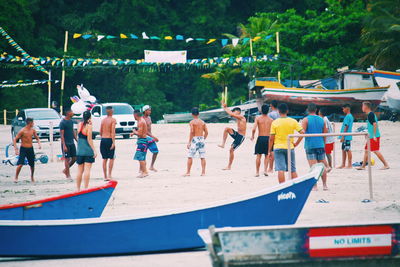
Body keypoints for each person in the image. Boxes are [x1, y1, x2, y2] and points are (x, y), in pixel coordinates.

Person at [268, 103, 304, 183]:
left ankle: (282, 187)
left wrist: (269, 150)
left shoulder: (275, 122)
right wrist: (296, 143)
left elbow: (271, 138)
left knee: (281, 169)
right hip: (289, 147)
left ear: (278, 111)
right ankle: (296, 186)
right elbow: (302, 132)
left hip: (278, 147)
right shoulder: (293, 121)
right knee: (292, 169)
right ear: (287, 111)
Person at [298, 103, 328, 190]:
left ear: (308, 110)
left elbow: (302, 133)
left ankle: (315, 186)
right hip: (320, 144)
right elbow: (325, 133)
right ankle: (325, 185)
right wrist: (324, 144)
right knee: (322, 166)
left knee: (313, 167)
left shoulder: (305, 119)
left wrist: (296, 143)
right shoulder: (322, 119)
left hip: (310, 145)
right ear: (316, 110)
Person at [356, 102, 390, 170]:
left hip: (374, 136)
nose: (362, 108)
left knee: (375, 151)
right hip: (370, 136)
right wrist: (367, 134)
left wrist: (374, 135)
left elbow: (374, 124)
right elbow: (370, 126)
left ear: (366, 107)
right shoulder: (370, 114)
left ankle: (386, 165)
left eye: (362, 106)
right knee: (366, 150)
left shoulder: (370, 114)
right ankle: (363, 166)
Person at [218, 101, 247, 170]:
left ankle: (229, 166)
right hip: (237, 134)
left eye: (234, 112)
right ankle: (223, 144)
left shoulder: (242, 117)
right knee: (227, 129)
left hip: (241, 137)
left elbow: (231, 113)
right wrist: (226, 108)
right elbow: (231, 113)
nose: (233, 113)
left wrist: (225, 107)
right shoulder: (238, 117)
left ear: (238, 111)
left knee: (231, 150)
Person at [13, 118, 41, 183]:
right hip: (23, 149)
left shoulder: (33, 130)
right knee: (20, 164)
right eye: (33, 122)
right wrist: (16, 149)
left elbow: (37, 138)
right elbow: (15, 139)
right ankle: (16, 177)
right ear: (30, 123)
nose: (33, 124)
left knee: (32, 165)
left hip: (30, 149)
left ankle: (32, 176)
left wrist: (39, 144)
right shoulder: (22, 131)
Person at [183, 107, 208, 177]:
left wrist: (189, 142)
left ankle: (188, 172)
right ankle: (203, 172)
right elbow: (206, 132)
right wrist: (203, 139)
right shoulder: (203, 122)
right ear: (198, 114)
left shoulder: (192, 122)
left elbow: (192, 132)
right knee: (202, 157)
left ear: (192, 114)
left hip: (195, 139)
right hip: (201, 139)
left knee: (190, 156)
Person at [76, 111, 97, 191]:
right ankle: (86, 188)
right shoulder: (89, 126)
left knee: (79, 171)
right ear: (89, 118)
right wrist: (94, 150)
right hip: (87, 150)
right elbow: (89, 139)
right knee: (87, 170)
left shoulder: (79, 125)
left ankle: (78, 188)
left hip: (80, 150)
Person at [251, 104, 273, 177]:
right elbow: (273, 132)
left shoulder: (258, 118)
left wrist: (252, 136)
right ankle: (265, 171)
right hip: (268, 138)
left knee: (258, 156)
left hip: (260, 138)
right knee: (267, 155)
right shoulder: (271, 120)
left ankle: (257, 172)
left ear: (261, 110)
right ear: (268, 111)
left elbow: (254, 129)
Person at [60, 108, 77, 179]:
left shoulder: (71, 121)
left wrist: (76, 139)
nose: (73, 113)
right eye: (72, 112)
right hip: (66, 143)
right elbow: (62, 135)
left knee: (74, 158)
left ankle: (65, 170)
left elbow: (72, 130)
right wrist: (64, 145)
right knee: (67, 159)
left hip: (71, 142)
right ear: (68, 113)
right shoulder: (62, 122)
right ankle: (68, 175)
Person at [100, 106, 116, 181]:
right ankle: (109, 174)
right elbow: (113, 132)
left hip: (103, 139)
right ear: (112, 111)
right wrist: (113, 142)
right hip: (109, 139)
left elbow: (100, 131)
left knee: (104, 159)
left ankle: (105, 176)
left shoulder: (103, 120)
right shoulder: (113, 120)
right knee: (111, 158)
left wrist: (103, 136)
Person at [131, 110, 149, 178]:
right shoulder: (141, 121)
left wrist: (134, 131)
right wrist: (134, 133)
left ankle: (144, 172)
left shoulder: (141, 122)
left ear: (135, 115)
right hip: (143, 141)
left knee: (140, 157)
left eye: (133, 116)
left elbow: (140, 134)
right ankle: (145, 171)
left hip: (142, 141)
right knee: (142, 157)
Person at [142, 105, 159, 172]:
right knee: (143, 153)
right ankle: (142, 168)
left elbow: (149, 129)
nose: (150, 111)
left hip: (150, 137)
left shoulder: (149, 118)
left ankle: (151, 166)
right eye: (148, 110)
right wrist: (154, 137)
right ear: (145, 111)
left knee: (155, 151)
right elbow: (145, 131)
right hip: (145, 137)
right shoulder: (142, 119)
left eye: (150, 110)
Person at [337, 104, 354, 169]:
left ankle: (349, 164)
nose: (343, 110)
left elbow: (346, 126)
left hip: (346, 136)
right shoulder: (350, 116)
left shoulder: (348, 116)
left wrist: (343, 136)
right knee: (343, 149)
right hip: (346, 135)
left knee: (347, 149)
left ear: (347, 108)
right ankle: (343, 164)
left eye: (343, 108)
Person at [266, 100, 280, 172]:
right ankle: (273, 167)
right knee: (275, 150)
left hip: (272, 132)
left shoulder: (270, 114)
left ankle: (270, 168)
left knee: (270, 150)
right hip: (279, 133)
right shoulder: (279, 113)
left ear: (271, 106)